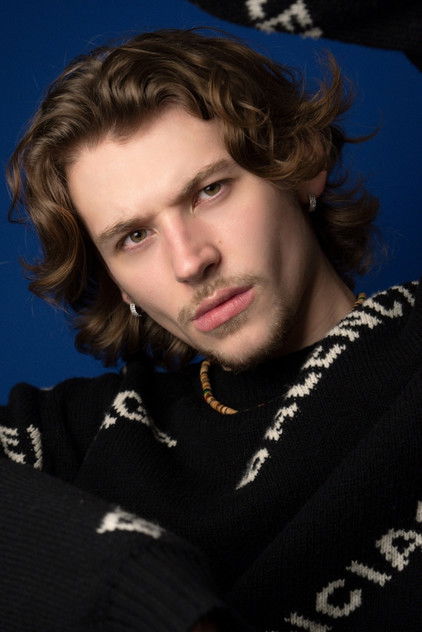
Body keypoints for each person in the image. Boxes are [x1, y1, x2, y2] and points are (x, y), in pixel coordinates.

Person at [1, 28, 420, 632]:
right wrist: (145, 593)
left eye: (209, 191)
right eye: (134, 236)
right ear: (117, 282)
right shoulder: (84, 435)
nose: (189, 261)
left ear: (302, 163)